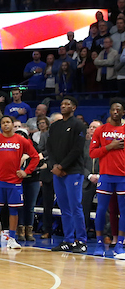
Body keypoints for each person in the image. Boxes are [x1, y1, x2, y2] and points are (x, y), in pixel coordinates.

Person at [0, 115, 40, 249]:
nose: (6, 125)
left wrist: (26, 171)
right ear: (0, 125)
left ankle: (12, 239)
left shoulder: (21, 140)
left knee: (14, 210)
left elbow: (35, 157)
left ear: (13, 124)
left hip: (15, 182)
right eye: (3, 123)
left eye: (8, 122)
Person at [49, 96, 88, 253]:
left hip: (73, 171)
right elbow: (49, 147)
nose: (63, 106)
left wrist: (63, 166)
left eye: (67, 104)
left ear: (74, 108)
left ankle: (81, 240)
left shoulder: (79, 125)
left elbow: (77, 149)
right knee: (64, 207)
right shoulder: (55, 126)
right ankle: (68, 240)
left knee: (75, 206)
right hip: (57, 172)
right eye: (62, 104)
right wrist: (54, 166)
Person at [88, 100, 125, 259]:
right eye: (113, 109)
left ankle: (120, 245)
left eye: (119, 109)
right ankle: (99, 243)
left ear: (123, 113)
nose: (116, 112)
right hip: (106, 175)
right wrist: (110, 146)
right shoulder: (101, 130)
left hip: (123, 176)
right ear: (109, 111)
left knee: (123, 212)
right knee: (101, 210)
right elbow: (92, 153)